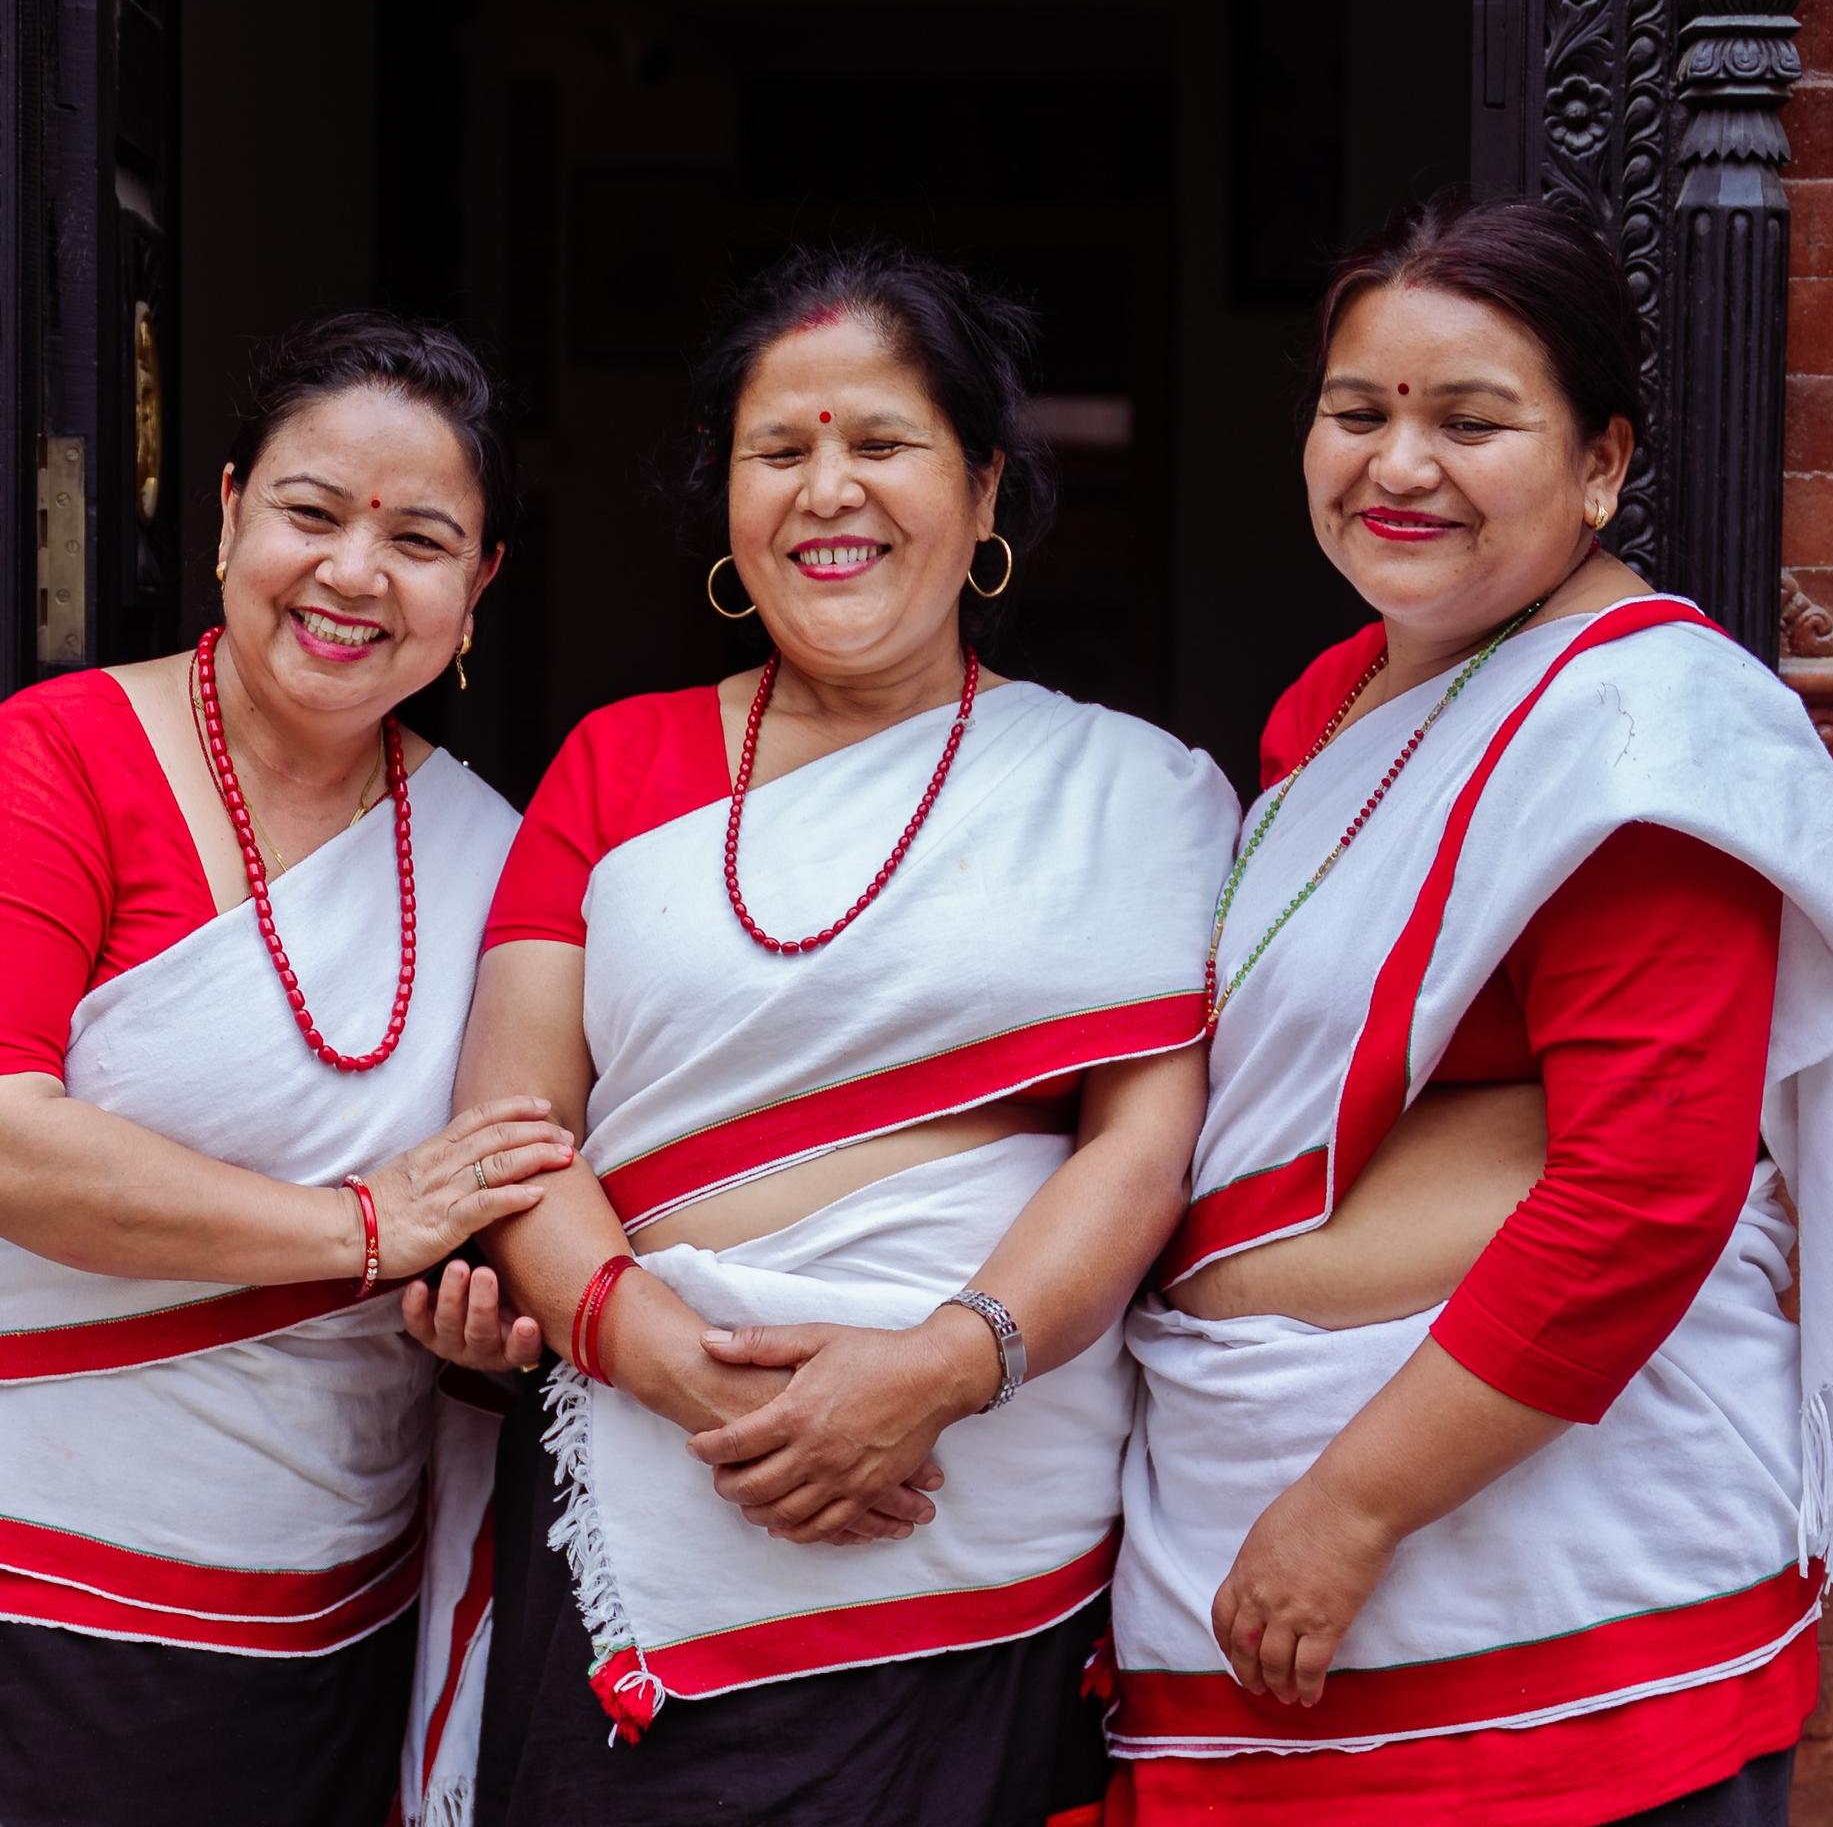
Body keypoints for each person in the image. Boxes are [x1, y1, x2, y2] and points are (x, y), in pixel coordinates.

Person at [1106, 195, 1833, 1826]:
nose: (1399, 465)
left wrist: (1348, 1508)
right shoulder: (1328, 706)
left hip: (1544, 1598)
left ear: (1603, 462)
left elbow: (1641, 1193)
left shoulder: (1638, 733)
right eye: (1359, 413)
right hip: (1238, 1556)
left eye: (1471, 421)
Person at [426, 249, 1240, 1827]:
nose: (826, 492)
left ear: (985, 487)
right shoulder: (613, 765)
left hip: (986, 1529)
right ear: (727, 503)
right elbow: (512, 1131)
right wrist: (680, 1371)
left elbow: (1145, 1139)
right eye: (778, 451)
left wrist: (942, 1367)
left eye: (881, 443)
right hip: (651, 1512)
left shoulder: (1132, 793)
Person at [0, 316, 575, 1827]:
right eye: (312, 514)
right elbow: (8, 1143)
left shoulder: (501, 858)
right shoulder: (58, 756)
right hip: (46, 1588)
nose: (353, 574)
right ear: (229, 513)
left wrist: (493, 1315)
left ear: (482, 586)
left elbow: (524, 1186)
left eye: (421, 538)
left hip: (345, 1614)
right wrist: (363, 1229)